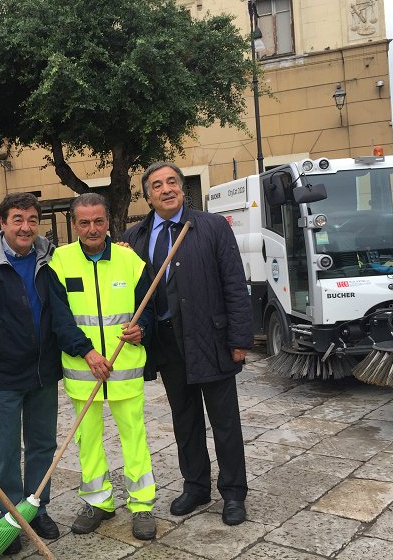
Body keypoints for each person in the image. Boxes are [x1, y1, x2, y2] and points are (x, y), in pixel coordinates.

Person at [121, 161, 252, 526]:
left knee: (225, 422)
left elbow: (233, 283)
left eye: (172, 182)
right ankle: (196, 486)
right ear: (148, 196)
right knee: (185, 420)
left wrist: (239, 338)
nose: (166, 189)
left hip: (210, 339)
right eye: (158, 185)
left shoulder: (211, 226)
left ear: (182, 188)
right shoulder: (135, 237)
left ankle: (233, 493)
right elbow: (131, 292)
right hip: (166, 344)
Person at [0, 193, 63, 555]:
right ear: (2, 224)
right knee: (5, 451)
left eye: (32, 219)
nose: (25, 226)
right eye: (17, 219)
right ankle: (8, 517)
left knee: (42, 446)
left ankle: (37, 508)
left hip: (44, 373)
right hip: (3, 377)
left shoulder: (51, 260)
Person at [49, 193, 157, 541]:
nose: (92, 228)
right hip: (83, 371)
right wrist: (87, 352)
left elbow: (151, 309)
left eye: (98, 221)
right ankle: (98, 502)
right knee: (88, 439)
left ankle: (141, 506)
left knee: (134, 437)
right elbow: (59, 318)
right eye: (84, 222)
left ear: (108, 221)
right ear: (74, 224)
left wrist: (144, 330)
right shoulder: (59, 263)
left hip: (125, 369)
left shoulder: (130, 260)